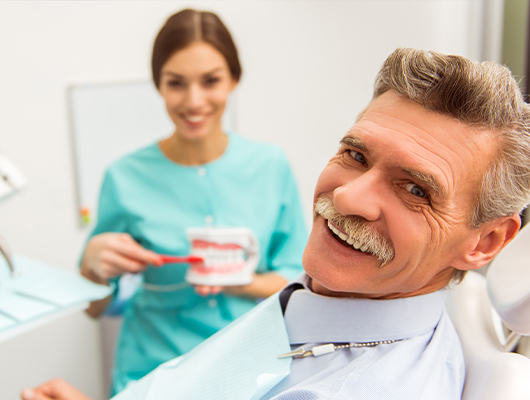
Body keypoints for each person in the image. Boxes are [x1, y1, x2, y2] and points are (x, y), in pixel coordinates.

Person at [21, 47, 530, 400]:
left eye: (415, 189)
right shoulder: (325, 299)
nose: (348, 196)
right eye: (354, 154)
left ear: (486, 242)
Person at [76, 8, 307, 396]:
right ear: (159, 85)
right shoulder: (124, 176)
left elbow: (300, 281)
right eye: (176, 83)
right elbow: (95, 307)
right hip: (153, 374)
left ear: (234, 79)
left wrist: (239, 281)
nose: (194, 100)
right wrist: (91, 269)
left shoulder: (270, 165)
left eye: (211, 81)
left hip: (251, 370)